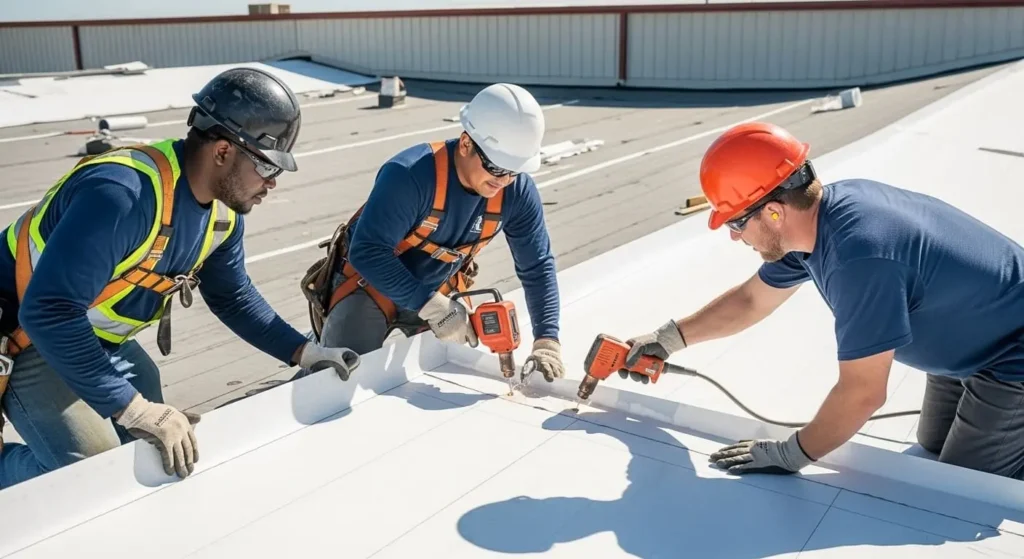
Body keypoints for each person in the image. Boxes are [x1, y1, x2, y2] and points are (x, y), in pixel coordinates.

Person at [0, 67, 360, 489]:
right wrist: (130, 407)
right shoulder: (123, 194)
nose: (272, 183)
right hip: (26, 336)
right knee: (88, 476)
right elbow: (49, 311)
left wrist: (305, 352)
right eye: (265, 165)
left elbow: (232, 297)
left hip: (93, 336)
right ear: (223, 152)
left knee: (148, 452)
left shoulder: (222, 214)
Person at [619, 121, 1024, 479]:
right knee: (931, 444)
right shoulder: (819, 220)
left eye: (738, 222)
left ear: (775, 213)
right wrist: (668, 338)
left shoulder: (859, 257)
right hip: (971, 348)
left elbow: (863, 392)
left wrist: (790, 453)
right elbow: (750, 302)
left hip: (1011, 359)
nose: (734, 236)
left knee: (965, 488)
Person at [300, 82, 563, 383]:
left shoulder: (516, 191)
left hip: (439, 290)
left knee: (452, 373)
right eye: (496, 168)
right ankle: (317, 354)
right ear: (466, 144)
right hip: (370, 285)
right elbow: (367, 251)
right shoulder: (411, 175)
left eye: (514, 170)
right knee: (337, 377)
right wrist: (432, 306)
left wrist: (547, 340)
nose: (503, 181)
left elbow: (537, 266)